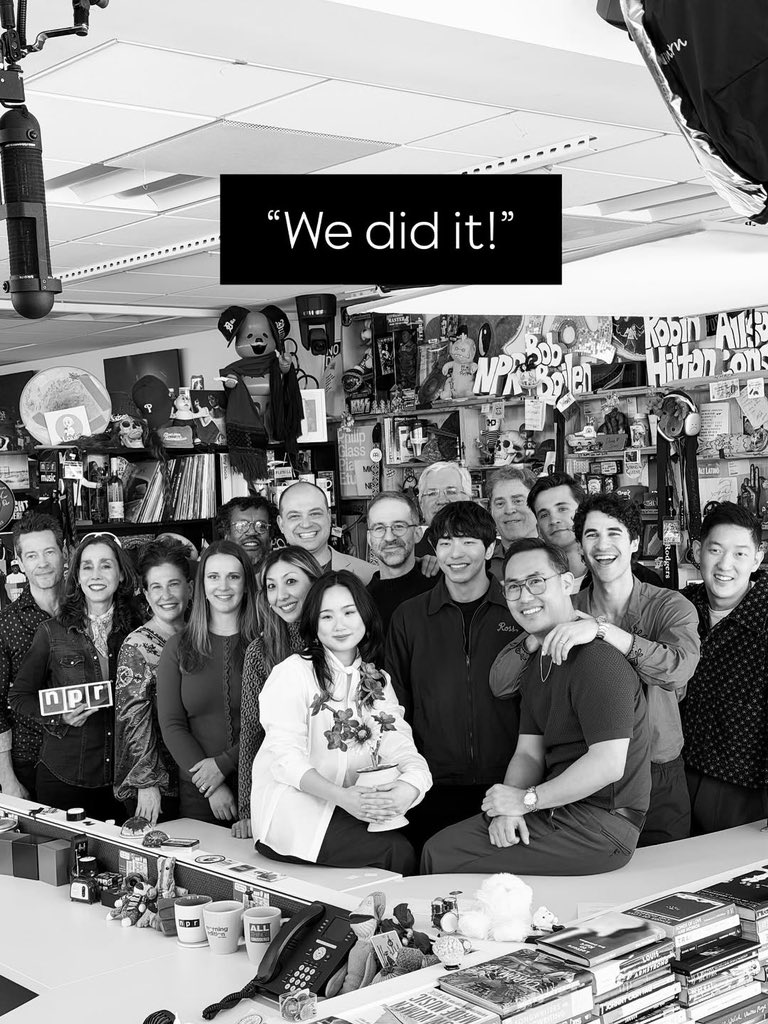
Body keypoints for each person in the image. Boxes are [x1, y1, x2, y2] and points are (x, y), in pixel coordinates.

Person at [421, 538, 651, 875]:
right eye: (513, 586)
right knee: (441, 845)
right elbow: (528, 754)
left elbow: (608, 764)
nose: (525, 596)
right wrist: (508, 808)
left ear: (567, 583)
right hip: (556, 809)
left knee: (442, 854)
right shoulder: (537, 663)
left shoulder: (597, 659)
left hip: (602, 827)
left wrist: (526, 801)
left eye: (536, 582)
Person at [490, 493, 700, 846]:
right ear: (581, 546)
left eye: (614, 533)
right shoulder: (562, 605)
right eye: (591, 535)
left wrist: (603, 631)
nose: (602, 545)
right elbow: (501, 684)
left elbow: (678, 669)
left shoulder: (669, 605)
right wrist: (541, 635)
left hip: (658, 770)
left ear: (633, 542)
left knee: (666, 882)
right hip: (584, 778)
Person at [251, 570, 431, 873]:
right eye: (327, 617)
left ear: (365, 615)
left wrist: (410, 786)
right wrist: (344, 798)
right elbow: (284, 760)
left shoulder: (376, 679)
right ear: (314, 623)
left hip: (350, 806)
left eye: (349, 612)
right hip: (294, 816)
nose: (340, 625)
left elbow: (400, 742)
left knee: (419, 836)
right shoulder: (293, 673)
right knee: (395, 851)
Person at [386, 501, 521, 854]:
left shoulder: (517, 612)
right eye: (445, 543)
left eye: (468, 542)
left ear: (490, 548)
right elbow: (395, 704)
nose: (455, 554)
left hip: (507, 781)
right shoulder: (409, 617)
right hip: (432, 782)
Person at [10, 532, 141, 821]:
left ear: (121, 575)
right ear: (77, 577)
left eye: (106, 565)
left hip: (126, 781)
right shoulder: (51, 632)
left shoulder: (139, 630)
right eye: (87, 566)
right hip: (64, 779)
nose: (96, 574)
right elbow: (19, 698)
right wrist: (60, 716)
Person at [157, 540, 258, 825]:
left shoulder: (266, 646)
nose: (223, 586)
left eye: (233, 577)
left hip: (261, 786)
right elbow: (172, 725)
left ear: (247, 584)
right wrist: (211, 785)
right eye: (213, 577)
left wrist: (224, 765)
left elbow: (272, 724)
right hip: (199, 792)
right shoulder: (178, 647)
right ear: (201, 585)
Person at [681, 503, 768, 833]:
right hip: (678, 774)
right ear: (697, 551)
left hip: (744, 784)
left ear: (758, 558)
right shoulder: (678, 608)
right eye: (715, 550)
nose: (725, 565)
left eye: (740, 554)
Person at [233, 546, 322, 839]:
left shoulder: (338, 637)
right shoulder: (260, 652)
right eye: (272, 586)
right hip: (281, 789)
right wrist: (247, 810)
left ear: (315, 583)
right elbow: (251, 733)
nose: (281, 595)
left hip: (334, 784)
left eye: (291, 582)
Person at [113, 539, 193, 825]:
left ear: (190, 587)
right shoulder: (137, 645)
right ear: (145, 594)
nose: (166, 595)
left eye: (174, 584)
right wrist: (147, 784)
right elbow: (133, 719)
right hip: (161, 785)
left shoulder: (201, 635)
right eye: (156, 587)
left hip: (200, 774)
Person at [0, 513, 66, 800]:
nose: (42, 563)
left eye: (49, 552)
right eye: (32, 555)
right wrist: (7, 780)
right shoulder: (6, 624)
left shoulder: (86, 613)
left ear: (65, 554)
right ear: (21, 561)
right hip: (30, 761)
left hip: (84, 758)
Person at [366, 491, 438, 634]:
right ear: (369, 538)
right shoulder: (362, 602)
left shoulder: (443, 585)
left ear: (418, 533)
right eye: (379, 528)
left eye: (399, 526)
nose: (389, 537)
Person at [277, 480, 374, 583]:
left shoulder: (369, 576)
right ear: (281, 524)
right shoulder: (266, 580)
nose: (306, 524)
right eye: (294, 516)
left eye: (315, 514)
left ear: (329, 517)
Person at [527, 471, 587, 586]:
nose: (554, 520)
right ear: (538, 530)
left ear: (584, 514)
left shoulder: (608, 574)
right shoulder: (534, 585)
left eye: (562, 509)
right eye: (544, 515)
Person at [486, 466, 539, 582]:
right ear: (491, 511)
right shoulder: (483, 565)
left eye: (518, 501)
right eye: (500, 503)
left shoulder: (560, 556)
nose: (509, 510)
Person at [413, 461, 472, 560]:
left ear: (468, 499)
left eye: (451, 492)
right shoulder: (410, 558)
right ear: (421, 504)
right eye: (432, 493)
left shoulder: (491, 551)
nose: (441, 500)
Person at [215, 495, 274, 572]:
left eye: (261, 526)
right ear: (227, 535)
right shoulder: (217, 577)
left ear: (270, 537)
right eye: (242, 525)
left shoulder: (283, 577)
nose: (252, 532)